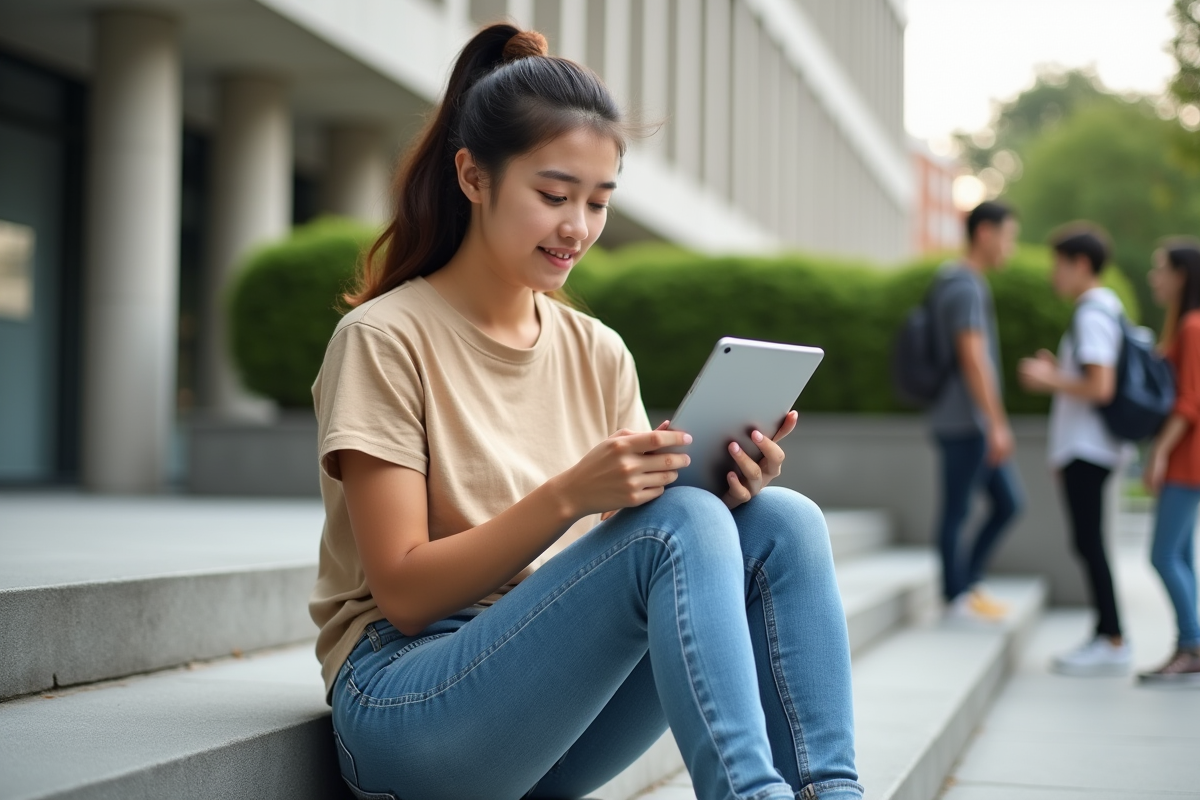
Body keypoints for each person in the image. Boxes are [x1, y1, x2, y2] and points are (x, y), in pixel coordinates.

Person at [307, 24, 864, 800]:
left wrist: (721, 483)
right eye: (553, 195)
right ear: (473, 176)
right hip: (409, 702)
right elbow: (402, 593)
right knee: (683, 525)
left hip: (550, 719)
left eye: (599, 202)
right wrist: (571, 495)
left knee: (782, 522)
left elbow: (632, 548)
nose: (578, 227)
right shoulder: (383, 338)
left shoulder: (597, 349)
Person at [1018, 224, 1132, 676]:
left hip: (1087, 449)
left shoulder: (1092, 312)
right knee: (1088, 541)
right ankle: (1109, 634)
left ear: (1080, 264)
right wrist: (1060, 371)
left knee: (1090, 542)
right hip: (1092, 448)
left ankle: (1112, 637)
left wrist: (1048, 379)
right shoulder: (1106, 309)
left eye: (1059, 265)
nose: (1054, 275)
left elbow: (1099, 386)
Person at [927, 201, 1024, 621]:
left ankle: (966, 583)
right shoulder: (966, 285)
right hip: (966, 419)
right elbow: (973, 357)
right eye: (1008, 237)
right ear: (985, 232)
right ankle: (955, 596)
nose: (1010, 247)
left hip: (958, 417)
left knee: (1006, 503)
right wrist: (997, 423)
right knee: (959, 510)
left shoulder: (950, 280)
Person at [1140, 239, 1200, 685]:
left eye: (1161, 268)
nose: (1154, 277)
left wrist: (1159, 452)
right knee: (1178, 553)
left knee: (1162, 554)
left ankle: (1192, 644)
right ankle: (1190, 643)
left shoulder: (1194, 327)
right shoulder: (1185, 326)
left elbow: (1190, 401)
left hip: (1188, 458)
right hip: (1185, 455)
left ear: (1182, 274)